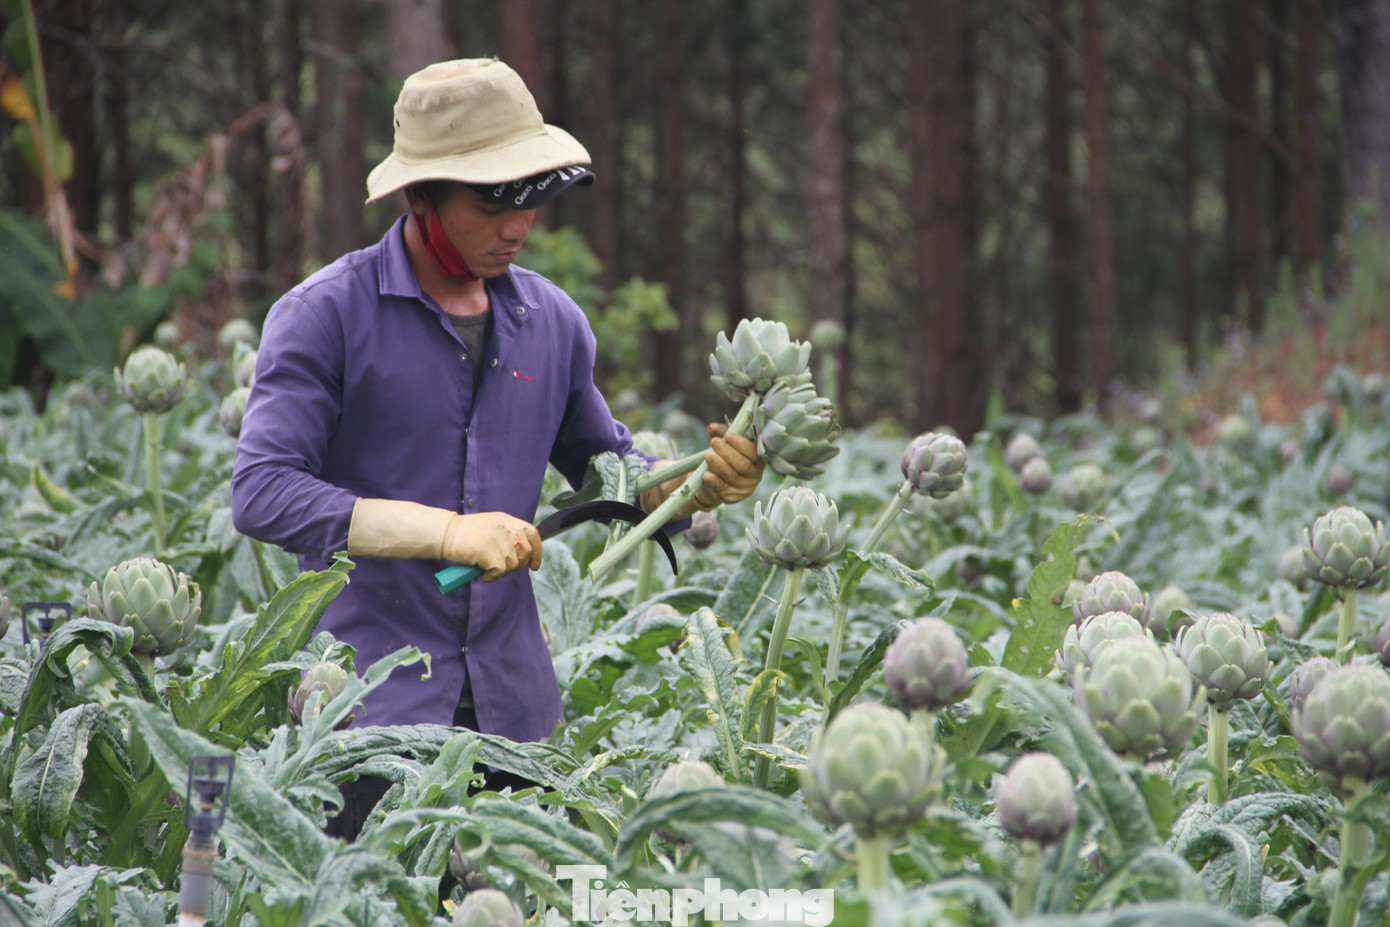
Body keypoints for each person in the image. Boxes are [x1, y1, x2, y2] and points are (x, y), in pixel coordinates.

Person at [230, 59, 764, 836]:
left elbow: (604, 470)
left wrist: (696, 485)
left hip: (515, 717)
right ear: (422, 196)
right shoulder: (324, 316)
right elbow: (263, 491)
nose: (518, 225)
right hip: (366, 713)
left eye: (533, 200)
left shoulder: (553, 322)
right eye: (492, 202)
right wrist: (444, 532)